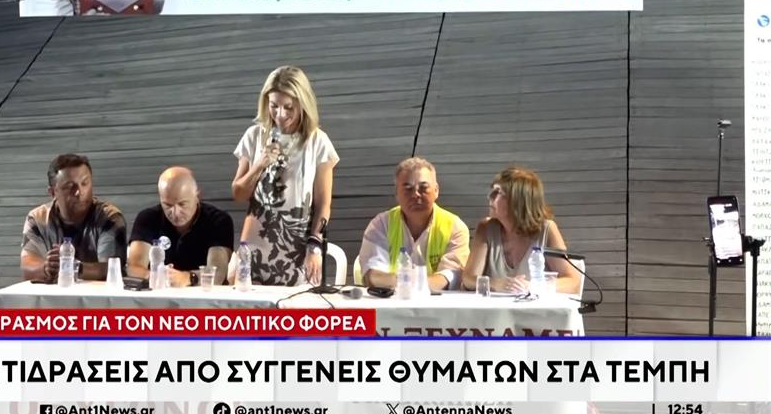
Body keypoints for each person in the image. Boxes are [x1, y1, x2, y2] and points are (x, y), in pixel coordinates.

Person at [230, 66, 339, 286]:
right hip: (254, 246)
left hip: (296, 249)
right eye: (274, 106)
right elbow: (238, 194)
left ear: (303, 103)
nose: (280, 114)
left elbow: (323, 204)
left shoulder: (318, 142)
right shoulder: (254, 136)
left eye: (288, 107)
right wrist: (259, 165)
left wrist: (314, 246)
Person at [462, 166, 582, 294]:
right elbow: (468, 279)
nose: (490, 197)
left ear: (518, 201)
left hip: (535, 306)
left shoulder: (547, 229)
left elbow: (572, 281)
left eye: (498, 192)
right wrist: (495, 283)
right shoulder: (486, 228)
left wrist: (532, 287)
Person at [358, 157, 470, 291]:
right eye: (408, 189)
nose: (416, 194)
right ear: (396, 193)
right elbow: (374, 276)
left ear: (436, 190)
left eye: (423, 188)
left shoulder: (454, 227)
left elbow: (450, 277)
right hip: (391, 300)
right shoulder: (381, 224)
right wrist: (421, 283)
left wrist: (401, 282)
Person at [20, 154, 126, 283]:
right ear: (53, 192)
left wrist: (72, 267)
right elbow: (27, 266)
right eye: (70, 187)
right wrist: (46, 267)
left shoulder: (109, 217)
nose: (79, 192)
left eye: (85, 183)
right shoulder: (37, 219)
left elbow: (111, 269)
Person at [127, 167, 234, 287]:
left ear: (197, 196)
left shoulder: (218, 221)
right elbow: (134, 267)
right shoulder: (147, 218)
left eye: (182, 204)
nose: (175, 212)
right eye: (167, 205)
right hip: (160, 291)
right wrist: (158, 277)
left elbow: (217, 273)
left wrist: (188, 278)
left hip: (203, 293)